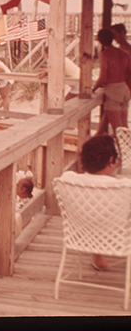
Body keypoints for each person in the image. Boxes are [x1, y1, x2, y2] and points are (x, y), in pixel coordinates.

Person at [61, 134, 131, 270]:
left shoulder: (68, 180)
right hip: (119, 236)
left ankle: (98, 255)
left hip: (82, 233)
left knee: (97, 212)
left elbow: (70, 176)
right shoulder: (124, 186)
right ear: (111, 160)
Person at [93, 28, 131, 135]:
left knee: (117, 129)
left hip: (113, 91)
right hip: (124, 89)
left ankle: (122, 151)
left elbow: (103, 78)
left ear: (99, 40)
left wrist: (94, 89)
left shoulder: (105, 55)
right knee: (124, 126)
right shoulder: (123, 53)